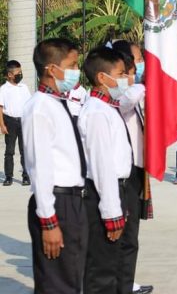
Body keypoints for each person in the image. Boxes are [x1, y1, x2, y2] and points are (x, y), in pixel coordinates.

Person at [23, 38, 88, 294]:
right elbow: (40, 168)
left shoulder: (59, 103)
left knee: (71, 278)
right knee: (56, 284)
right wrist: (48, 221)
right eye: (71, 65)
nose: (76, 71)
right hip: (56, 202)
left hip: (72, 200)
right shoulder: (39, 107)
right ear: (52, 69)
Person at [79, 47, 133, 293]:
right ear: (102, 77)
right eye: (120, 74)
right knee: (102, 269)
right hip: (103, 194)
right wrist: (111, 212)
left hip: (116, 190)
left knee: (112, 264)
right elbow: (102, 166)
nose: (125, 79)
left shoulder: (108, 108)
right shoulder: (96, 113)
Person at [111, 40, 154, 294]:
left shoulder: (133, 91)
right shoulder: (119, 93)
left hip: (136, 171)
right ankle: (120, 284)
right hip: (122, 175)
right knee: (123, 234)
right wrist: (147, 82)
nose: (142, 65)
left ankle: (126, 281)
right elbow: (125, 102)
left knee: (131, 235)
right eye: (138, 60)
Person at [0, 60, 32, 186]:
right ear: (10, 75)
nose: (20, 74)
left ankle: (26, 176)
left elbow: (29, 105)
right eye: (18, 72)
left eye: (21, 72)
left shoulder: (24, 88)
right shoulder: (3, 89)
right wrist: (2, 125)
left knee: (24, 150)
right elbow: (0, 108)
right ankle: (8, 177)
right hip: (10, 122)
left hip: (23, 121)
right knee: (10, 151)